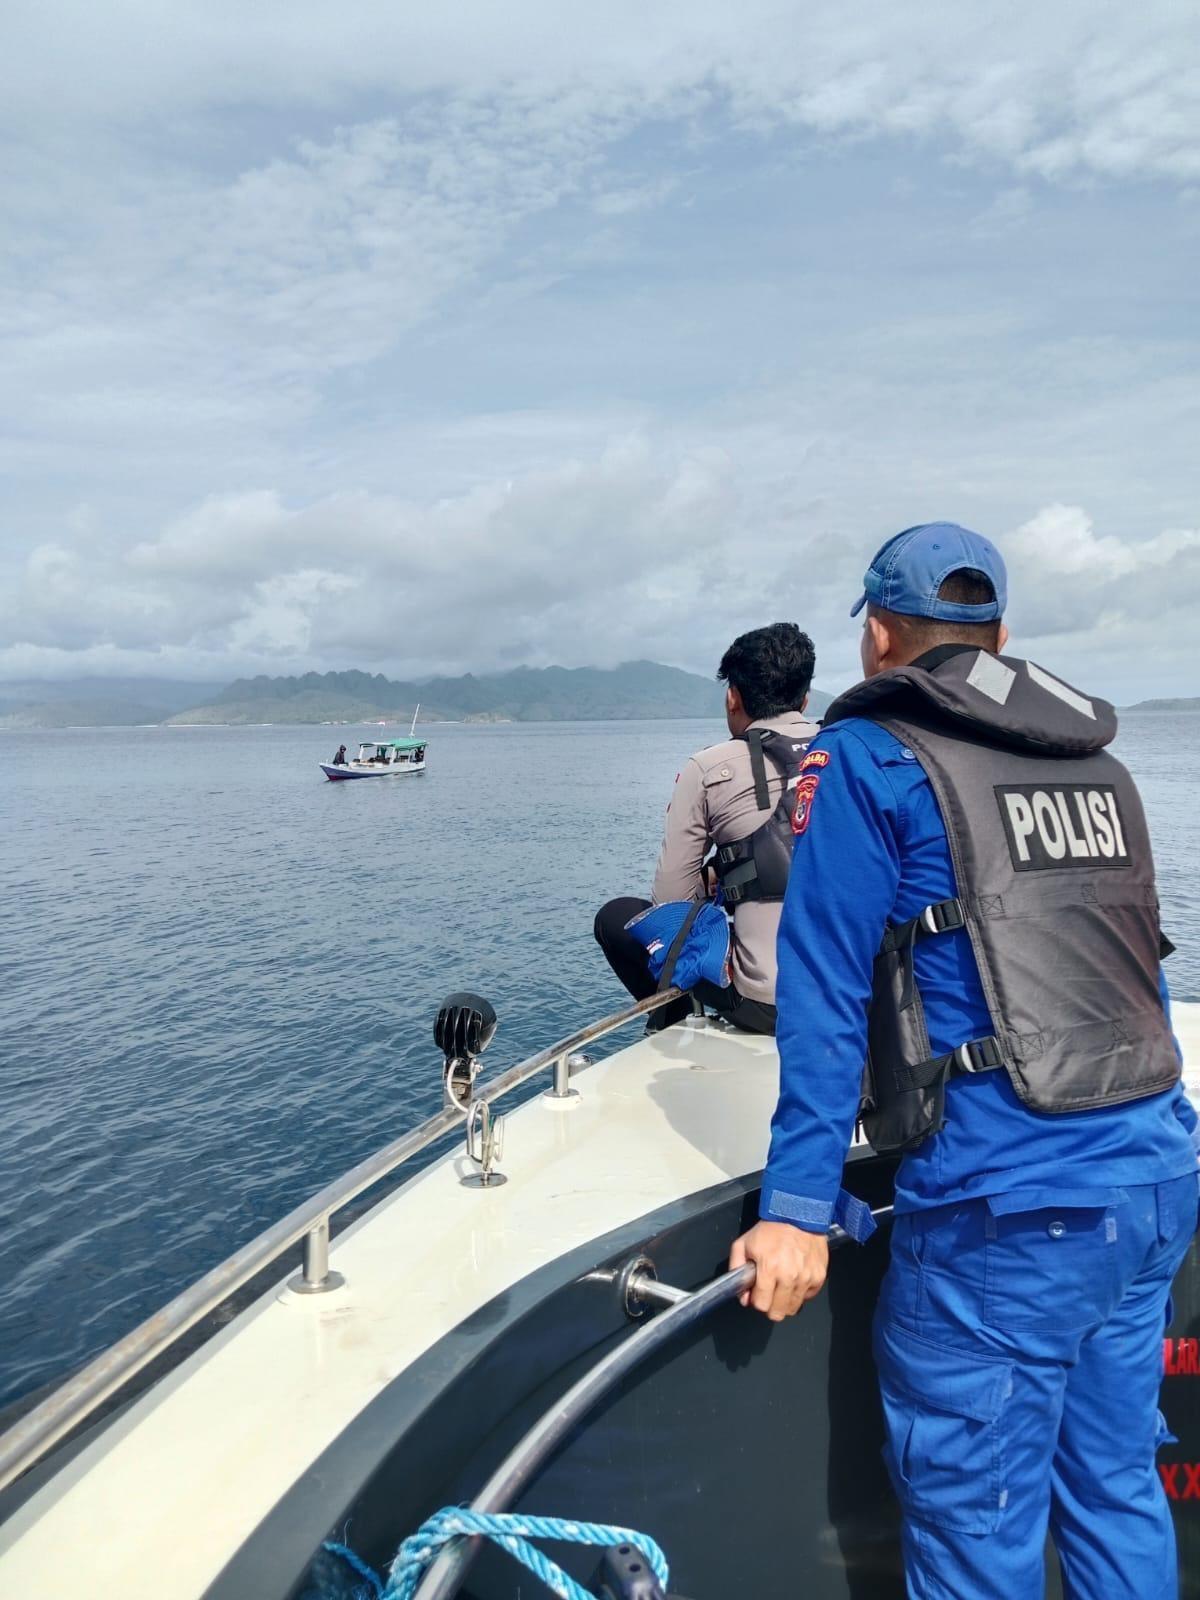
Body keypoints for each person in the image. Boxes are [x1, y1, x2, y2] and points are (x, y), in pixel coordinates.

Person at [728, 523, 1198, 1597]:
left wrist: (798, 1206)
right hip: (1156, 1180)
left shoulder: (866, 757)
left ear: (879, 636)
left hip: (1008, 1216)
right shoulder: (1096, 762)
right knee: (1117, 1484)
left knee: (977, 1525)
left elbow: (825, 987)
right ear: (999, 635)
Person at [594, 622, 818, 1035]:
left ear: (733, 697)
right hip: (856, 996)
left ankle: (671, 1024)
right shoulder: (848, 751)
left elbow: (670, 905)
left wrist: (726, 881)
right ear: (805, 698)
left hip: (764, 1004)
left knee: (616, 917)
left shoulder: (709, 767)